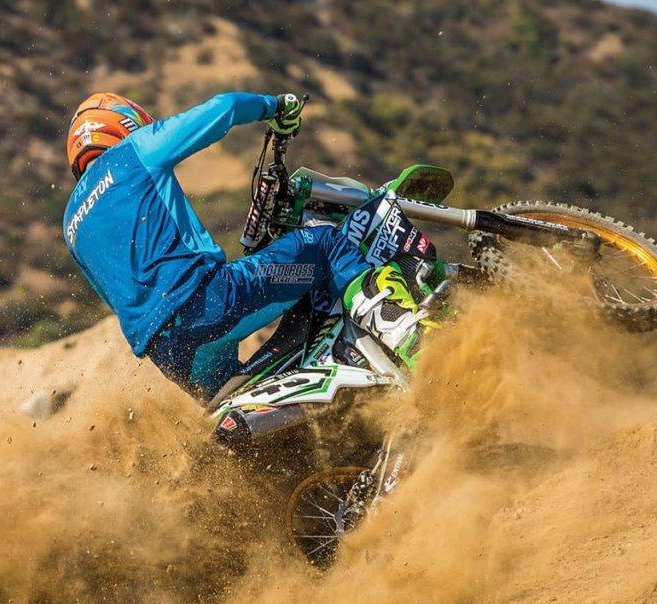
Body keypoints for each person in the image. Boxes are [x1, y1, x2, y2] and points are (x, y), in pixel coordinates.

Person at [62, 91, 431, 399]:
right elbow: (224, 107)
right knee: (324, 244)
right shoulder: (133, 151)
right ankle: (409, 339)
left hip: (168, 353)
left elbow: (116, 296)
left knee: (242, 400)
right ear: (124, 123)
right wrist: (277, 107)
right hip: (208, 301)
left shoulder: (71, 225)